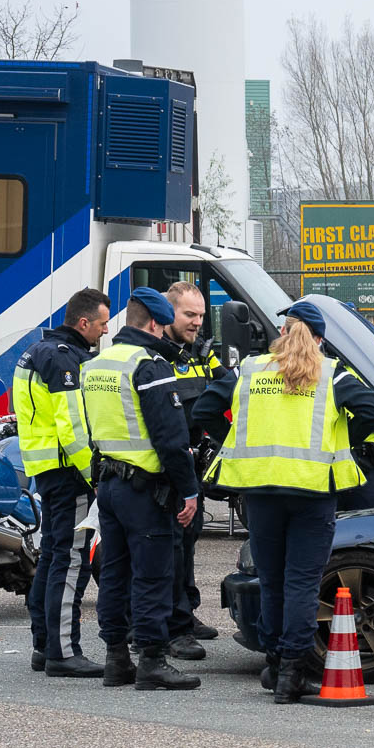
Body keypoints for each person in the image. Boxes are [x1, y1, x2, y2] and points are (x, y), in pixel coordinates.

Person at [210, 301, 374, 703]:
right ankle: (293, 671)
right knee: (302, 584)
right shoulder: (330, 373)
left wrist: (239, 438)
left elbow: (206, 408)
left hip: (259, 490)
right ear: (321, 340)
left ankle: (275, 667)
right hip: (311, 492)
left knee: (272, 581)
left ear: (283, 332)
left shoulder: (252, 369)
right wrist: (344, 434)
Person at [81, 286, 202, 691]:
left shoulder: (97, 364)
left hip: (109, 484)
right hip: (146, 491)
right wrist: (189, 491)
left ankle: (116, 659)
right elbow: (171, 439)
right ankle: (151, 660)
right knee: (152, 575)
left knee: (114, 573)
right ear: (154, 323)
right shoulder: (148, 365)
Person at [15, 287, 109, 677]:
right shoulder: (64, 360)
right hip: (68, 471)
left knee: (53, 557)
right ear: (83, 322)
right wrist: (96, 477)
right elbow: (72, 429)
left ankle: (44, 645)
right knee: (70, 561)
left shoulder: (38, 351)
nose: (105, 332)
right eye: (102, 324)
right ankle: (63, 652)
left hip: (46, 469)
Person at [162, 280, 223, 661]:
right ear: (169, 313)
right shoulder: (160, 356)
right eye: (189, 314)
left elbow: (228, 386)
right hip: (167, 465)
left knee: (187, 543)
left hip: (193, 464)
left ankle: (186, 610)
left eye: (201, 315)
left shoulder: (200, 353)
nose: (197, 322)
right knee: (168, 547)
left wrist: (210, 357)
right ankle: (174, 626)